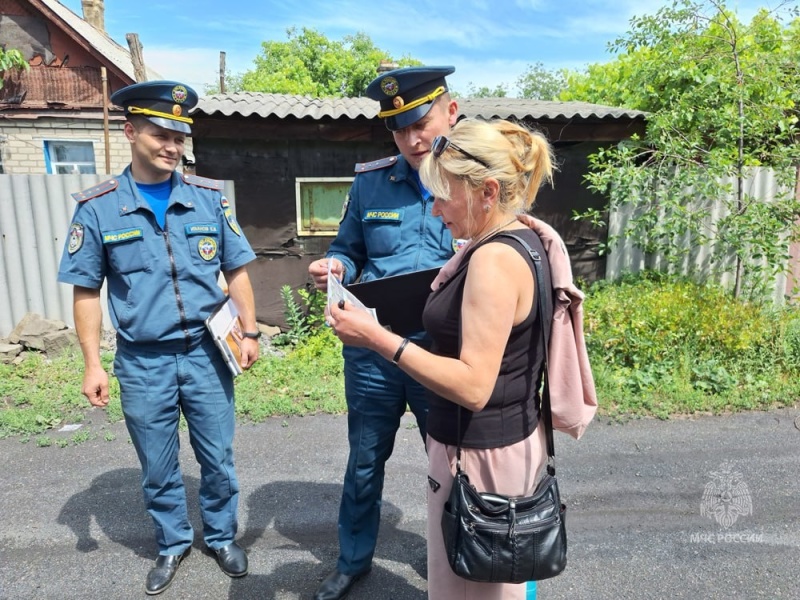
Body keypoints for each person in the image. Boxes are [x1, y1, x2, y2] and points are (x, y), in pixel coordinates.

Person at [327, 118, 586, 599]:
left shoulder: (492, 260)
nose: (436, 209)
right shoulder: (523, 238)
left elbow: (472, 386)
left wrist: (379, 339)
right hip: (502, 446)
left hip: (482, 459)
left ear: (488, 191)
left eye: (443, 196)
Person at [57, 80, 260, 596]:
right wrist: (92, 363)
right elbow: (86, 291)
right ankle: (172, 541)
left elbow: (237, 270)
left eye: (179, 136)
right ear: (130, 132)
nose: (172, 147)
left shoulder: (208, 199)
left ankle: (219, 535)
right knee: (157, 460)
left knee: (218, 455)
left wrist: (250, 331)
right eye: (160, 134)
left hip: (207, 353)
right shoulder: (98, 209)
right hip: (142, 360)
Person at [307, 65, 459, 600]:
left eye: (421, 123)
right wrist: (335, 269)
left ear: (451, 111)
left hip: (439, 354)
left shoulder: (471, 180)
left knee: (448, 462)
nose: (413, 139)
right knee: (365, 460)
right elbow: (348, 249)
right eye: (399, 129)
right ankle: (353, 560)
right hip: (373, 351)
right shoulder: (371, 180)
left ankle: (456, 559)